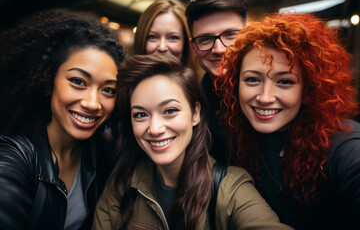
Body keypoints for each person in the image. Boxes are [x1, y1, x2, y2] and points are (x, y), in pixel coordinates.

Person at [92, 54, 293, 230]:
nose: (155, 128)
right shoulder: (123, 181)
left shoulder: (229, 188)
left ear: (195, 113)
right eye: (140, 115)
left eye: (170, 111)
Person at [215, 12, 360, 230]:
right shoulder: (237, 136)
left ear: (309, 89)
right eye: (253, 79)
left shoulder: (343, 143)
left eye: (285, 81)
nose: (265, 97)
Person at [0, 8, 125, 230]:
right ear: (48, 81)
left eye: (108, 90)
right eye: (78, 81)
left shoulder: (103, 152)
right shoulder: (13, 157)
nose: (92, 103)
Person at [186, 0, 248, 164]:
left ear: (249, 34)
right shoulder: (190, 106)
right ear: (193, 47)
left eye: (230, 35)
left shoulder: (279, 92)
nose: (219, 49)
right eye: (205, 39)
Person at [133, 0, 200, 78]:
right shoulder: (125, 87)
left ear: (185, 44)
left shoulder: (199, 89)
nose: (162, 47)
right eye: (152, 37)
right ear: (141, 39)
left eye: (172, 38)